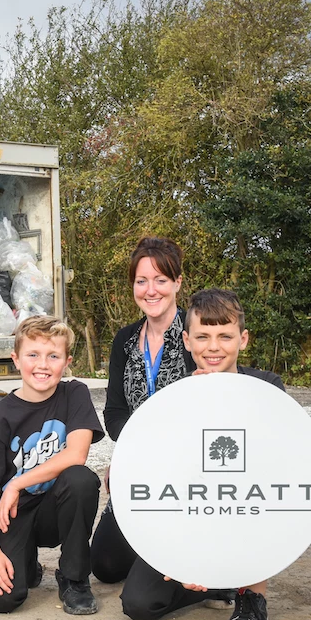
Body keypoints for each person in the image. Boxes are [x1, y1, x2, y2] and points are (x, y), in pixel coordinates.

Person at [118, 288, 283, 620]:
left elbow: (271, 467)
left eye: (225, 336)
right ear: (187, 340)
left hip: (243, 510)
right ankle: (212, 585)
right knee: (138, 605)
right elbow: (164, 479)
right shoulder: (172, 399)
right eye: (203, 337)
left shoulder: (267, 388)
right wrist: (181, 552)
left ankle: (252, 596)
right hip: (190, 512)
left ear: (243, 339)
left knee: (264, 490)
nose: (213, 347)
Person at [0, 316, 104, 615]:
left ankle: (74, 577)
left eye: (53, 356)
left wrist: (17, 482)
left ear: (66, 361)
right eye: (33, 355)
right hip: (14, 514)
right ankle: (26, 563)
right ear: (15, 359)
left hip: (56, 508)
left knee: (80, 479)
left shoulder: (74, 394)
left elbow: (76, 454)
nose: (42, 365)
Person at [90, 236, 194, 584]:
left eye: (161, 280)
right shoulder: (124, 340)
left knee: (151, 584)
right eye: (142, 280)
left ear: (177, 282)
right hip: (139, 464)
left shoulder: (196, 337)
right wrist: (129, 456)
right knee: (104, 566)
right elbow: (115, 413)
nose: (151, 290)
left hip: (188, 471)